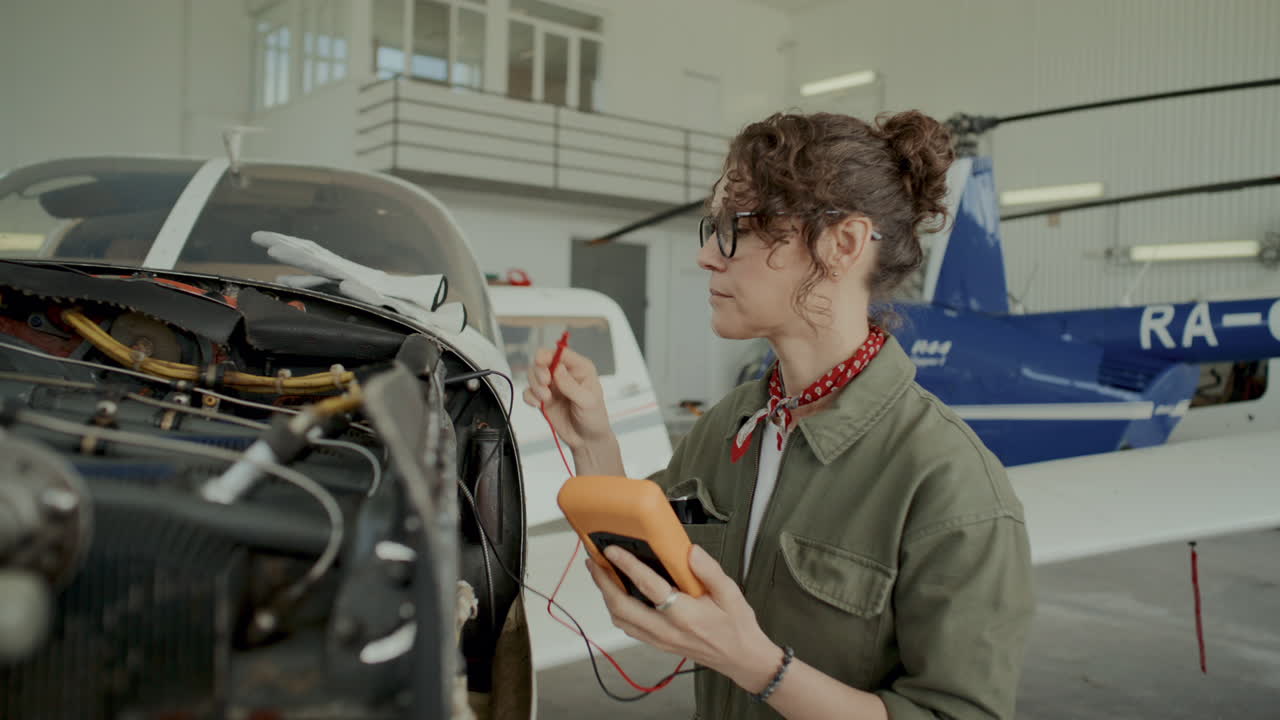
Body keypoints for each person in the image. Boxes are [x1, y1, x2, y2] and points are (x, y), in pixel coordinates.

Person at [524, 111, 1034, 720]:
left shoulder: (951, 484)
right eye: (711, 227)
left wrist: (758, 667)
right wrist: (593, 443)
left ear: (843, 243)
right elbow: (651, 552)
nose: (707, 256)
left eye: (741, 227)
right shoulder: (728, 426)